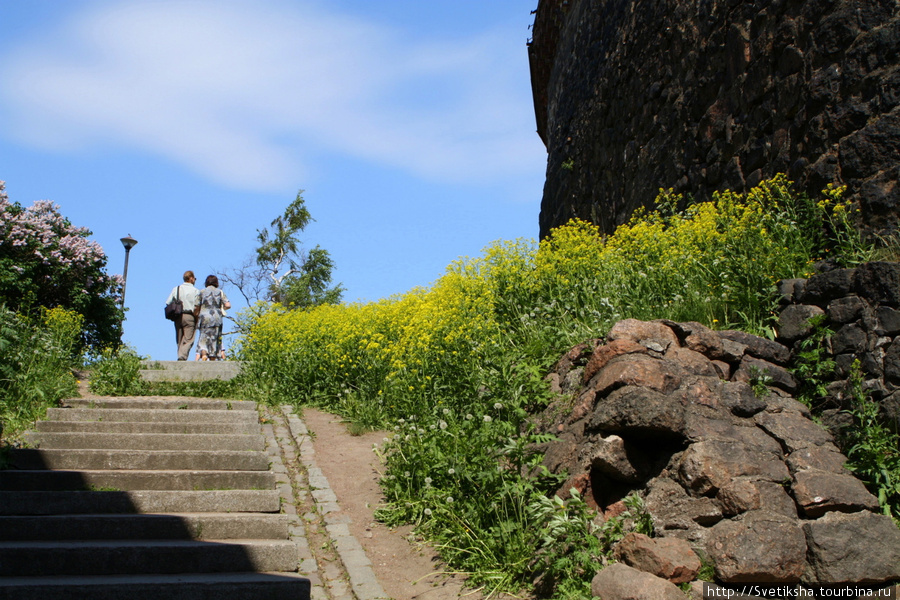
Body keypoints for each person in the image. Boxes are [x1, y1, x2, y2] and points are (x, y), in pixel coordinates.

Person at [166, 271, 201, 361]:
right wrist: (196, 318)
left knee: (179, 338)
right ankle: (182, 357)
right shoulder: (196, 291)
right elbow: (197, 306)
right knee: (189, 339)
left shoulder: (177, 289)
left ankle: (180, 356)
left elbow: (168, 302)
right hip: (190, 315)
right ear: (191, 278)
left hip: (178, 315)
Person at [196, 274, 231, 361]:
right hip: (216, 317)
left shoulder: (201, 292)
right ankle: (212, 357)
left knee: (203, 336)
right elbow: (228, 305)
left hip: (204, 317)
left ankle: (204, 354)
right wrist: (222, 308)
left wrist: (196, 314)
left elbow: (196, 306)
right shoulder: (220, 292)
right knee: (215, 337)